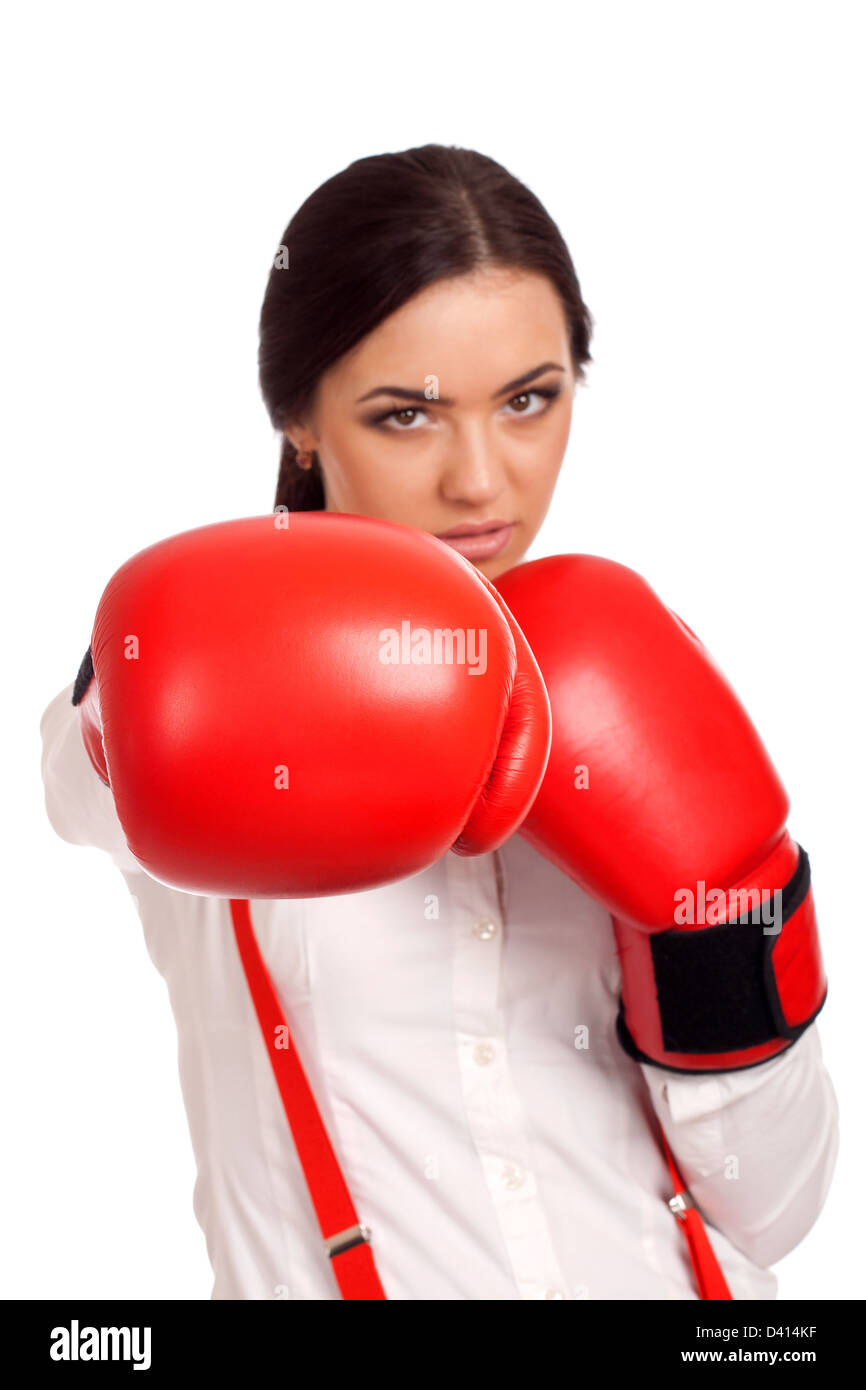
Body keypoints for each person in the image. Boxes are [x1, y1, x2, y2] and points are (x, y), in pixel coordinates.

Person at [39, 143, 839, 1301]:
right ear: (296, 419)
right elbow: (77, 776)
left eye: (529, 399)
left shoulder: (630, 670)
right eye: (405, 415)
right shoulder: (187, 679)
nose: (481, 480)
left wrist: (716, 924)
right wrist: (203, 654)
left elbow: (779, 1205)